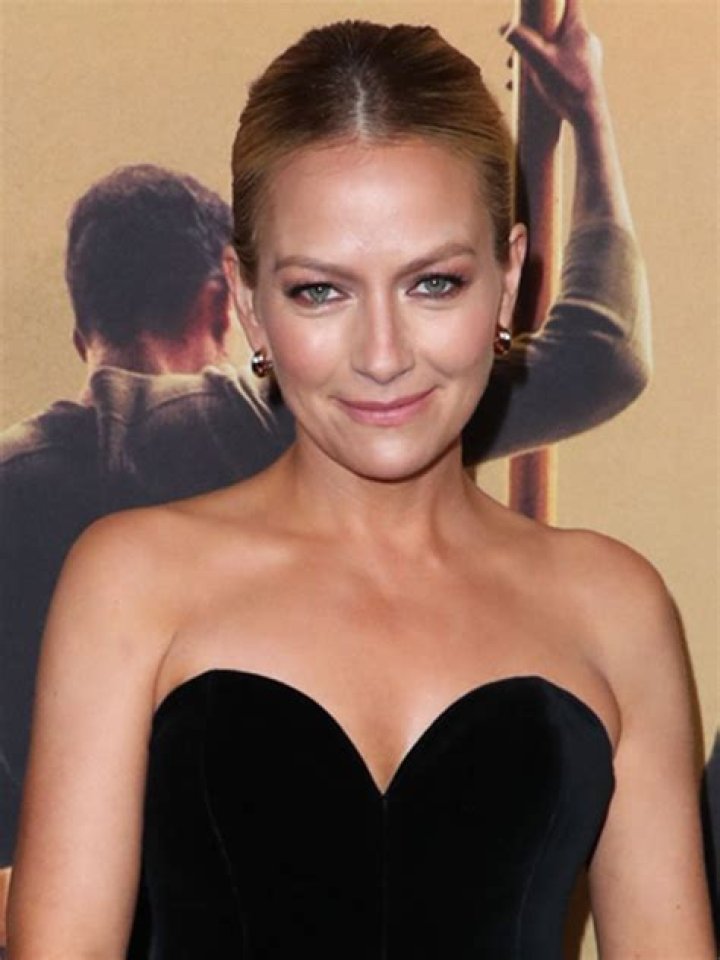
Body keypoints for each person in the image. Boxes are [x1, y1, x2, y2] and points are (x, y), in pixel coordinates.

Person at [11, 8, 713, 958]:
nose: (383, 356)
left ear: (508, 279)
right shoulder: (130, 583)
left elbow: (603, 351)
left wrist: (588, 120)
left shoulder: (616, 608)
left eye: (434, 284)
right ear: (247, 302)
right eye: (321, 291)